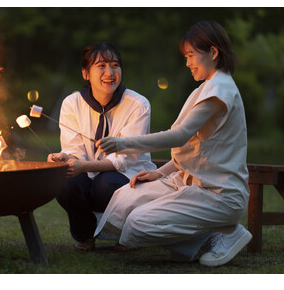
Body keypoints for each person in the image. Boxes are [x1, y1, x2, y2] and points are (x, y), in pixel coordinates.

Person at [94, 21, 252, 267]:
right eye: (186, 56)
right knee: (125, 199)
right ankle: (196, 240)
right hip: (188, 181)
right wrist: (159, 172)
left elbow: (178, 136)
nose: (187, 62)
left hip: (219, 194)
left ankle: (222, 233)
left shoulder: (219, 89)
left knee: (137, 224)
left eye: (191, 55)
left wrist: (122, 143)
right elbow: (195, 149)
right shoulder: (207, 87)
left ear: (213, 52)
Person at [47, 42, 156, 251]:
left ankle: (126, 233)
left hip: (128, 175)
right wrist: (65, 159)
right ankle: (85, 234)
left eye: (115, 65)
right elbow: (73, 149)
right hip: (89, 176)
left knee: (105, 184)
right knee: (64, 182)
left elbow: (124, 159)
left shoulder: (138, 104)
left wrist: (82, 166)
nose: (110, 72)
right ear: (86, 74)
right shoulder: (72, 104)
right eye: (102, 66)